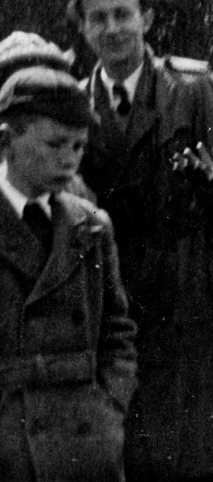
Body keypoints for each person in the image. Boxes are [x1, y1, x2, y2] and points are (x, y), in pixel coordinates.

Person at [65, 0, 213, 482]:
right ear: (83, 29)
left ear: (147, 19)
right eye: (97, 18)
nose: (111, 29)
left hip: (190, 298)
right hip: (116, 301)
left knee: (206, 455)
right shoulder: (73, 106)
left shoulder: (191, 89)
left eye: (123, 14)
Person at [0, 65, 137, 482]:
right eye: (55, 144)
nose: (70, 159)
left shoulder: (91, 225)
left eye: (79, 146)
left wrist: (110, 406)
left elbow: (118, 330)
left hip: (86, 440)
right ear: (6, 140)